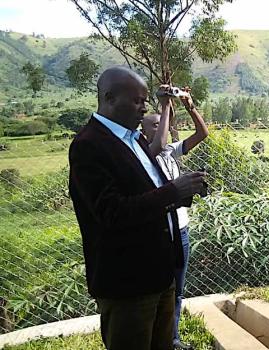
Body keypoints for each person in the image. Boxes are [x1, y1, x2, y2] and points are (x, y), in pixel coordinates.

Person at [68, 66, 207, 350]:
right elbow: (112, 212)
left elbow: (147, 192)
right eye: (137, 101)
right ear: (109, 98)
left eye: (146, 101)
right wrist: (173, 190)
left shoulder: (135, 139)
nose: (144, 108)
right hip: (127, 283)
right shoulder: (89, 145)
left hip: (160, 273)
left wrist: (185, 191)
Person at [141, 86, 209, 350]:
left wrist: (190, 105)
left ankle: (173, 338)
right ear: (143, 131)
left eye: (165, 123)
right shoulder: (147, 153)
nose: (164, 127)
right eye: (157, 123)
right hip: (161, 232)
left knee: (178, 289)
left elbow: (202, 133)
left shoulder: (171, 151)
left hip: (180, 229)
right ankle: (161, 338)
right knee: (161, 290)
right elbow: (157, 144)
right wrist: (166, 105)